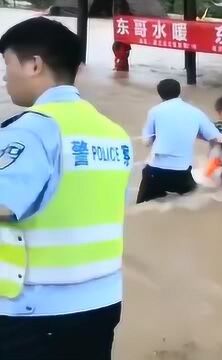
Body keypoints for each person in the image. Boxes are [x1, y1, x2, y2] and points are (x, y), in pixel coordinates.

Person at [0, 17, 132, 359]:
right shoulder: (111, 131)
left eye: (7, 64)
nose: (4, 77)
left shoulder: (31, 131)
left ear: (34, 65)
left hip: (34, 312)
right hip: (102, 303)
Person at [137, 78, 222, 203]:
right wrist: (197, 134)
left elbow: (146, 142)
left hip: (155, 171)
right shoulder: (196, 112)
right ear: (179, 91)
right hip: (182, 172)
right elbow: (217, 137)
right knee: (192, 203)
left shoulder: (155, 111)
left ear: (159, 94)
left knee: (142, 207)